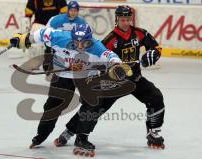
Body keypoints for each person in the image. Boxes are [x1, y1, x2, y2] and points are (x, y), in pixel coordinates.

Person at [10, 24, 133, 156]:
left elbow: (110, 56)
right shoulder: (58, 37)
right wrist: (25, 40)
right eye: (76, 42)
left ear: (90, 39)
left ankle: (81, 138)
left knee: (93, 103)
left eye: (84, 42)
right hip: (62, 75)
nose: (80, 46)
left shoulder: (96, 46)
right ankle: (41, 136)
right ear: (72, 37)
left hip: (85, 76)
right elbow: (41, 33)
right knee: (53, 107)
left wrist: (117, 65)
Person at [55, 5, 165, 152]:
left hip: (135, 78)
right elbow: (98, 61)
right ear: (117, 19)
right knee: (95, 107)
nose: (126, 22)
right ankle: (69, 132)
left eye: (128, 19)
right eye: (122, 19)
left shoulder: (139, 33)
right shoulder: (109, 40)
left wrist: (153, 55)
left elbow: (156, 48)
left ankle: (153, 132)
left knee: (156, 96)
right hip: (115, 81)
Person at [43, 0, 87, 74]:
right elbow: (46, 32)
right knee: (49, 53)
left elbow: (86, 36)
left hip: (72, 46)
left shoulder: (81, 22)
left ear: (78, 11)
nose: (73, 12)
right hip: (57, 44)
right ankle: (49, 64)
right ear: (68, 10)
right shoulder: (56, 19)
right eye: (71, 10)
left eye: (75, 11)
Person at [24, 0, 68, 69]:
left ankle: (59, 62)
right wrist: (27, 29)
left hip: (54, 25)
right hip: (39, 24)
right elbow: (28, 15)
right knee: (35, 42)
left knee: (60, 42)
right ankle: (34, 63)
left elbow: (65, 14)